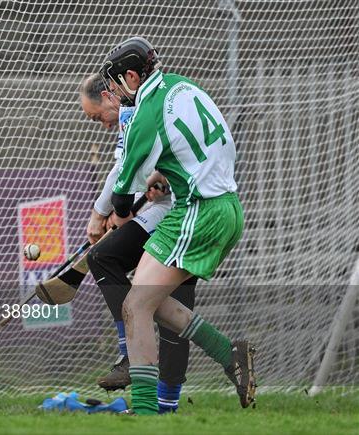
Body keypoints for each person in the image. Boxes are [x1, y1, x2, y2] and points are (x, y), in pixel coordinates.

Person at [100, 37, 256, 415]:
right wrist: (166, 174)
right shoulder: (183, 85)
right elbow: (203, 146)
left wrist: (117, 215)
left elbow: (122, 197)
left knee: (136, 304)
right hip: (227, 205)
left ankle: (145, 411)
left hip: (199, 212)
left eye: (119, 83)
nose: (117, 93)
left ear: (133, 76)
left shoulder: (145, 112)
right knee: (145, 298)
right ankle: (228, 351)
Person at [80, 73, 197, 414]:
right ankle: (157, 397)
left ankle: (155, 390)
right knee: (172, 303)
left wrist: (100, 213)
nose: (101, 125)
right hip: (168, 205)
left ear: (109, 95)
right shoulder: (142, 107)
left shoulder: (133, 110)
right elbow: (141, 170)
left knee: (106, 259)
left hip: (184, 212)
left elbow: (122, 169)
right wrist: (129, 205)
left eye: (97, 116)